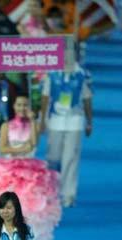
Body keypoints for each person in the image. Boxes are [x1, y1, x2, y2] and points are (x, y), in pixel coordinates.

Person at [0, 94, 61, 240]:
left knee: (28, 203)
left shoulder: (34, 125)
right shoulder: (6, 125)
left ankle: (21, 235)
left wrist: (32, 121)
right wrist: (18, 149)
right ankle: (2, 233)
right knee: (1, 199)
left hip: (30, 170)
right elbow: (3, 147)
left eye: (25, 105)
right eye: (19, 105)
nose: (22, 108)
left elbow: (33, 143)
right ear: (14, 107)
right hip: (8, 168)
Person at [40, 60, 93, 207]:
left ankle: (68, 194)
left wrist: (89, 121)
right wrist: (42, 120)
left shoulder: (82, 74)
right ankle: (52, 190)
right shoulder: (51, 74)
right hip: (55, 120)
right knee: (53, 157)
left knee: (71, 158)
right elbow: (45, 97)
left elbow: (87, 99)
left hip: (75, 121)